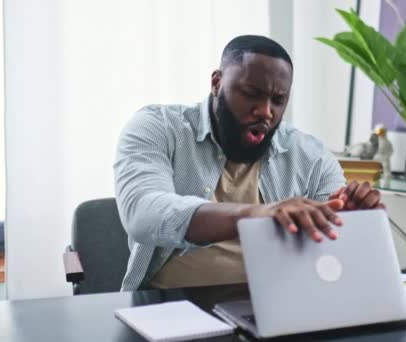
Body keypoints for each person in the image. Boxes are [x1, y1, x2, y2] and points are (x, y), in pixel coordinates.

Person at [114, 35, 384, 291]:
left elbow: (334, 254)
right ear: (217, 83)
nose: (266, 112)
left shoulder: (311, 155)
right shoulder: (157, 127)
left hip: (280, 306)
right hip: (169, 305)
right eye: (251, 93)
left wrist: (349, 221)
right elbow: (143, 213)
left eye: (278, 100)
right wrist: (256, 215)